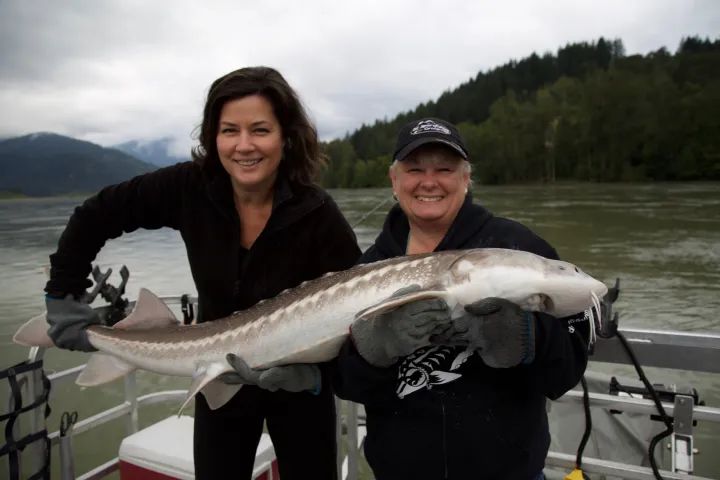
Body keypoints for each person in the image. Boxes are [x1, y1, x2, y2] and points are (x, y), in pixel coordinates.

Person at [43, 66, 361, 479]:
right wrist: (62, 292)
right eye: (230, 130)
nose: (244, 146)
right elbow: (95, 215)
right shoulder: (190, 188)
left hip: (298, 383)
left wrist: (318, 379)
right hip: (216, 374)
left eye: (260, 130)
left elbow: (359, 314)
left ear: (286, 136)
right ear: (213, 137)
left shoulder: (319, 214)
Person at [333, 117, 591, 480]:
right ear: (395, 181)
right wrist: (374, 351)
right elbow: (347, 384)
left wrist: (527, 339)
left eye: (444, 169)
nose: (429, 181)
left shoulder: (518, 248)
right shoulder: (369, 267)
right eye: (414, 169)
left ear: (466, 179)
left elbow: (567, 370)